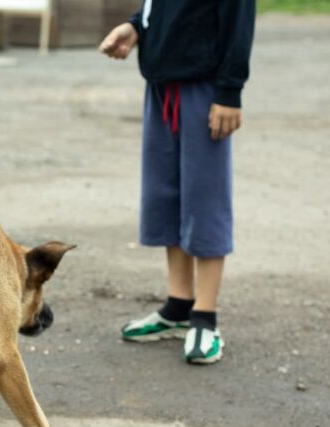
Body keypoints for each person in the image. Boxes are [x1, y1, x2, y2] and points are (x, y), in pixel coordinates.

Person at [99, 1, 255, 364]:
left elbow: (239, 21)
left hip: (205, 90)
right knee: (165, 196)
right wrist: (135, 27)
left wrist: (229, 91)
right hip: (160, 87)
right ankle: (179, 306)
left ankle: (205, 316)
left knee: (205, 198)